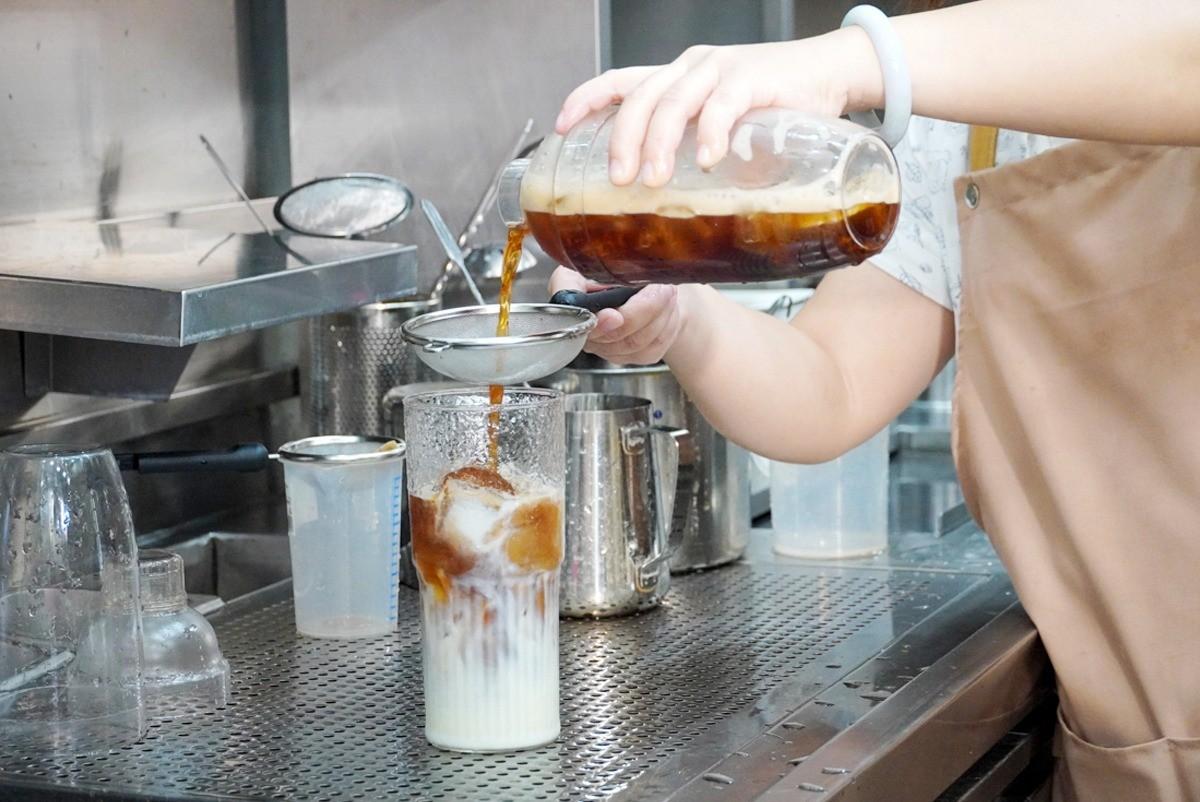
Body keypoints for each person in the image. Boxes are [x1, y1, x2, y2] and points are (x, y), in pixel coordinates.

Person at [548, 2, 1200, 800]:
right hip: (1137, 757)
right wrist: (682, 317)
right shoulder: (968, 125)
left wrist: (853, 58)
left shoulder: (916, 64)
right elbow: (832, 384)